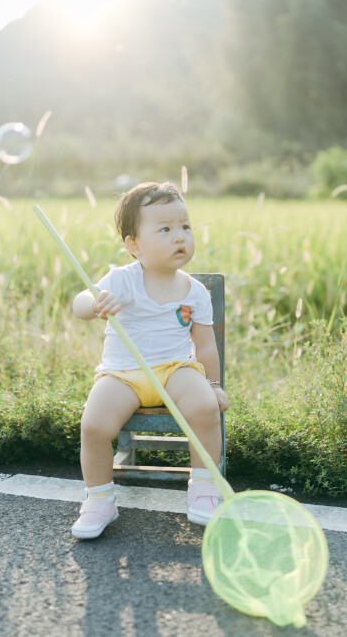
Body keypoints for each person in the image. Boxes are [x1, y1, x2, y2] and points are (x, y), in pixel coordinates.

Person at [70, 181, 229, 539]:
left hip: (176, 368)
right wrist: (95, 303)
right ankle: (99, 499)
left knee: (205, 408)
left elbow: (204, 346)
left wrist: (214, 385)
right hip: (122, 375)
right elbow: (80, 303)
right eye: (165, 229)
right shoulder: (122, 280)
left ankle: (204, 488)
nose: (180, 237)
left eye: (185, 227)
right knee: (94, 425)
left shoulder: (195, 292)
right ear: (134, 245)